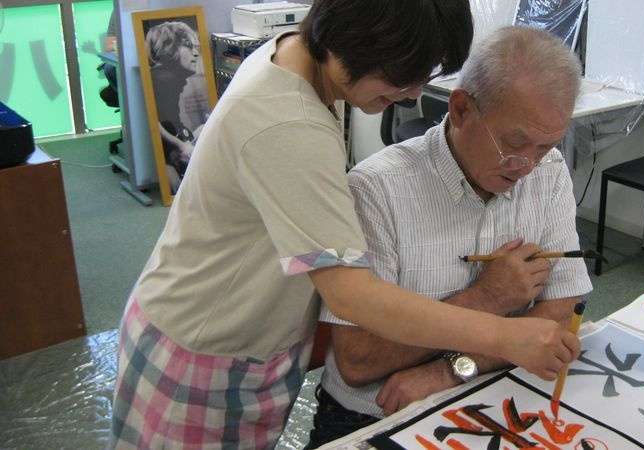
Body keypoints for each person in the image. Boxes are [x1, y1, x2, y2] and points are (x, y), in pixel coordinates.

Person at [108, 2, 581, 448]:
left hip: (242, 337)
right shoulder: (290, 125)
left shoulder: (298, 57)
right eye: (406, 75)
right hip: (206, 349)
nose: (414, 94)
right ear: (357, 40)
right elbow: (352, 295)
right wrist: (502, 334)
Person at [308, 26, 591, 447]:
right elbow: (359, 361)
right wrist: (487, 298)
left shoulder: (547, 174)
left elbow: (563, 312)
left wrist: (450, 370)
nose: (527, 165)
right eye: (515, 143)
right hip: (375, 414)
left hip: (492, 393)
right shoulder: (376, 189)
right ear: (460, 109)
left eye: (545, 146)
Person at [145, 20, 203, 193]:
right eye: (188, 46)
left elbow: (168, 122)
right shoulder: (165, 80)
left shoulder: (165, 77)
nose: (196, 53)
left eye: (195, 47)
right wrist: (181, 145)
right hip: (164, 156)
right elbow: (152, 121)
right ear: (168, 48)